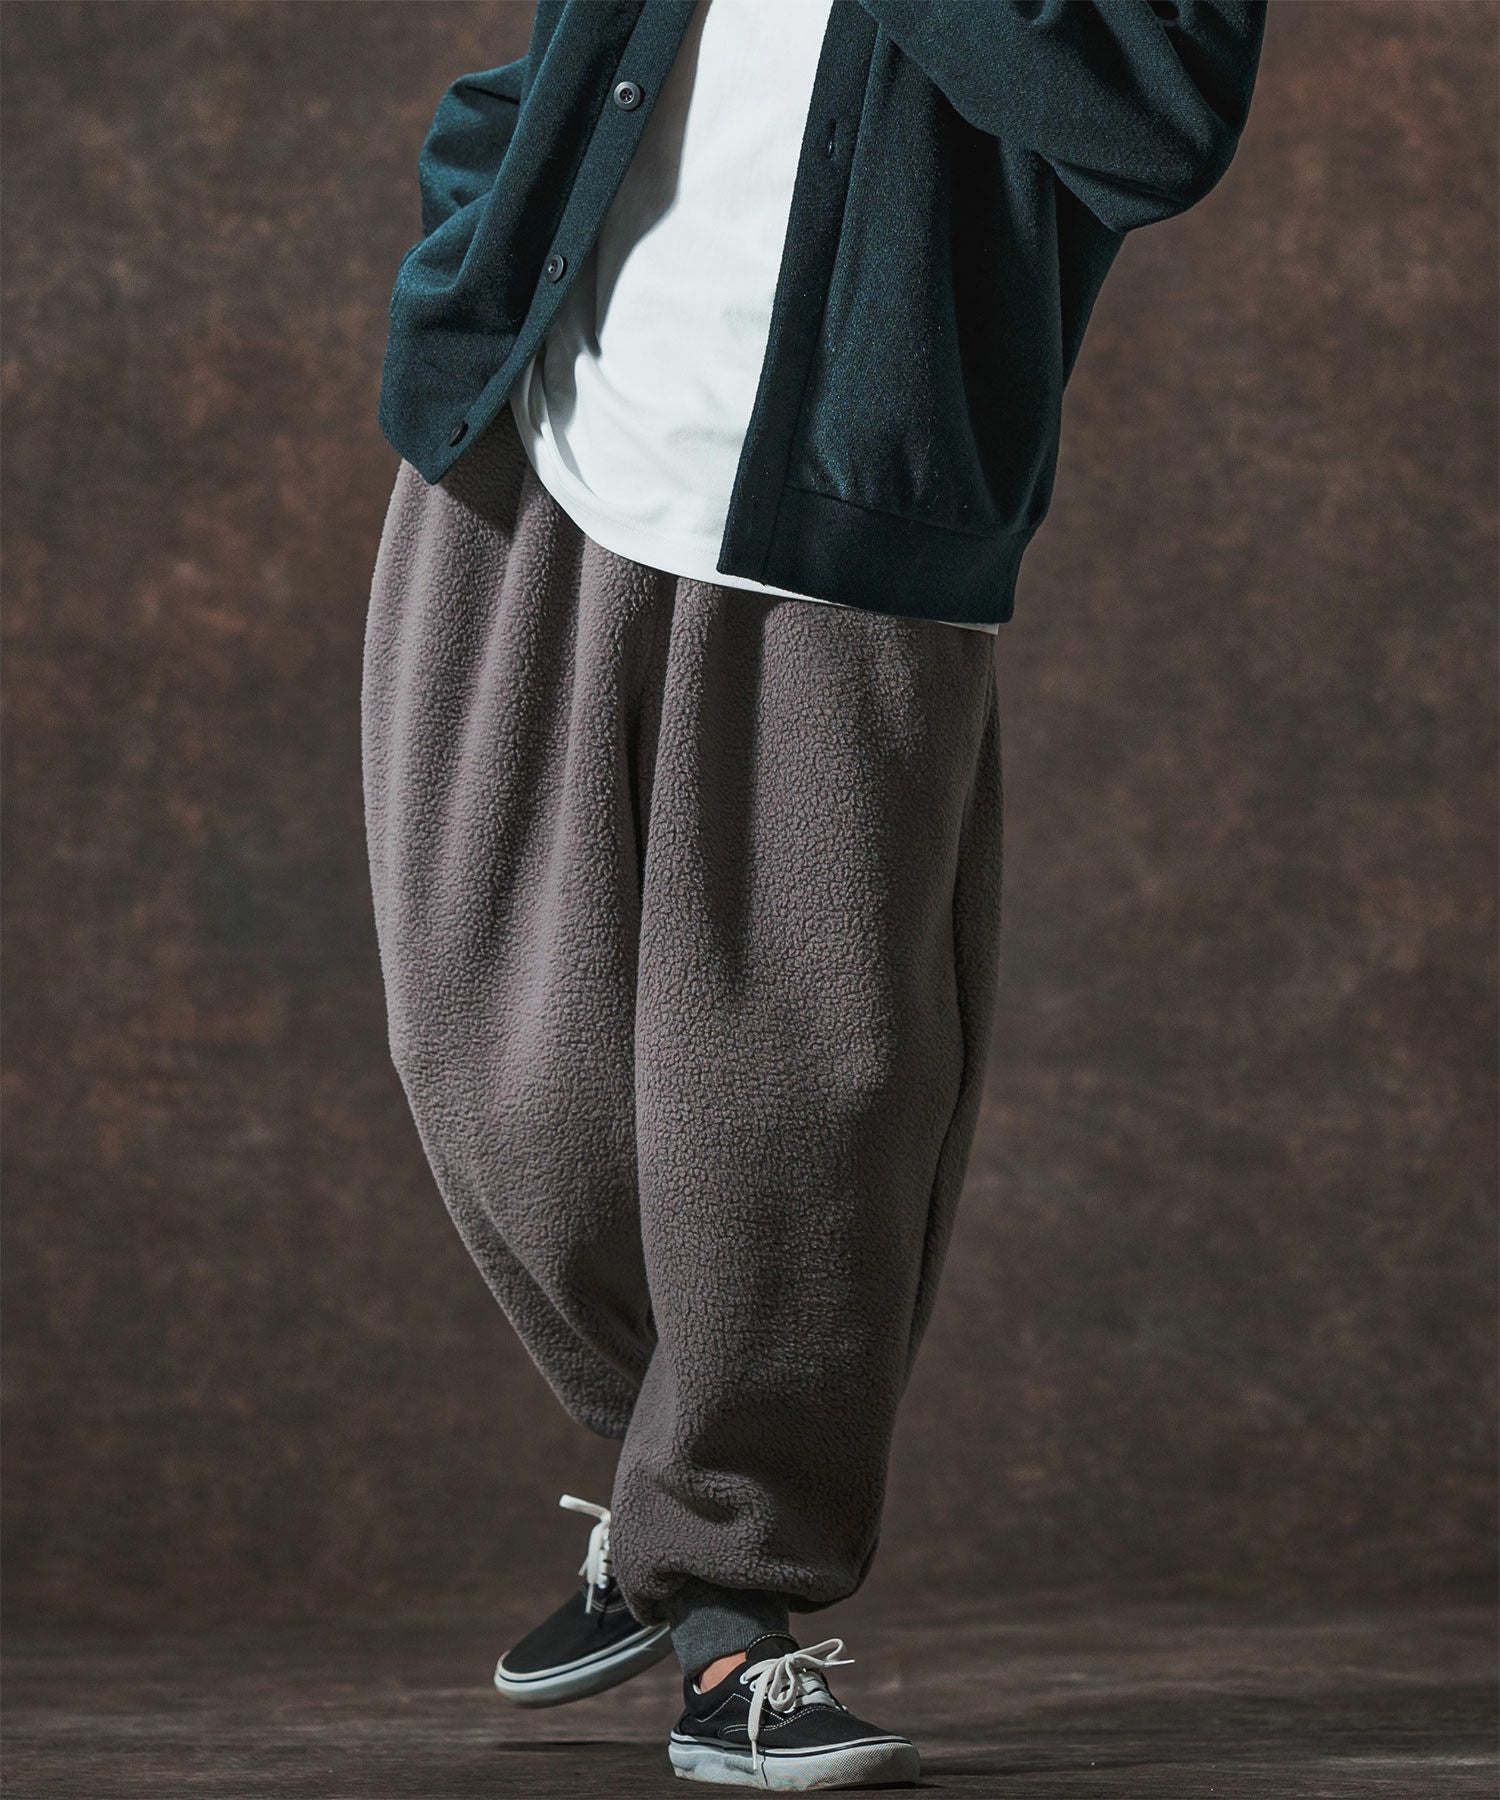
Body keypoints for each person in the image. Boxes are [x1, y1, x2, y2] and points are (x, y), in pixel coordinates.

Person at [361, 1, 1266, 1787]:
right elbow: (561, 65)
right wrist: (472, 234)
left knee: (791, 1102)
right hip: (530, 442)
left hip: (847, 516)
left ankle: (727, 1603)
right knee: (494, 1065)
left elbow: (1154, 125)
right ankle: (675, 1481)